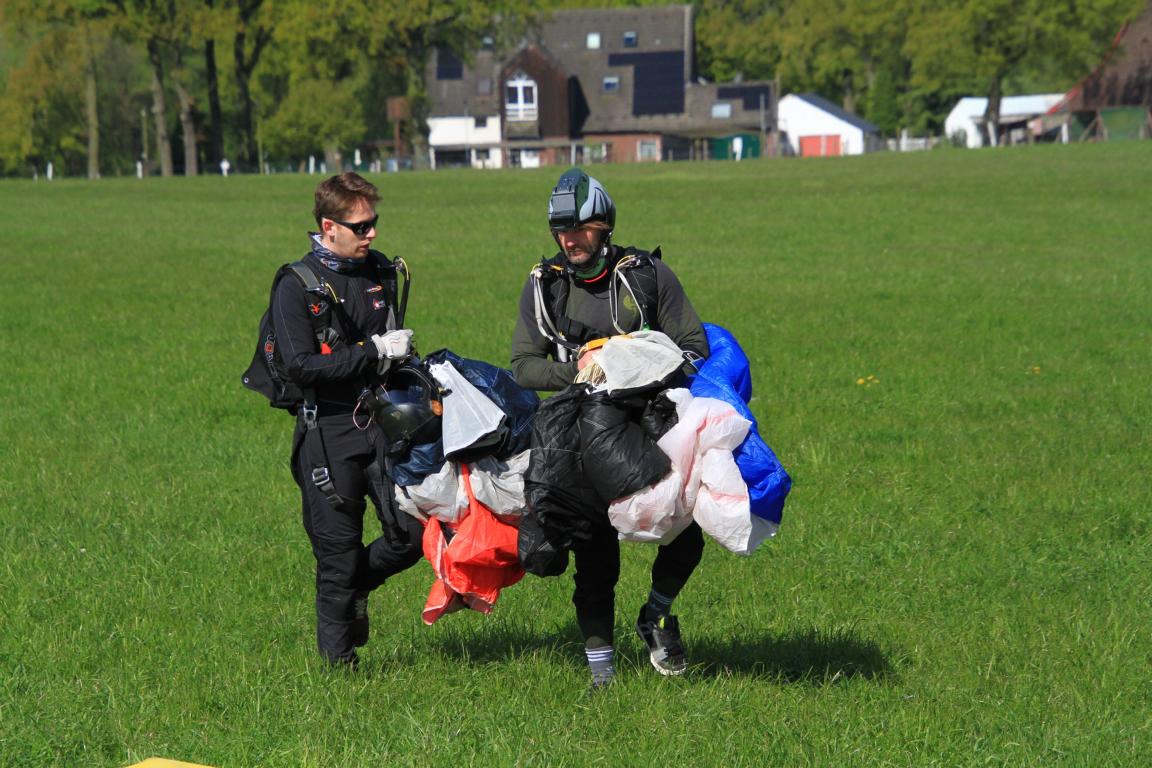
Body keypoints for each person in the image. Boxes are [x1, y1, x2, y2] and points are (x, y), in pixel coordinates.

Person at [511, 168, 710, 687]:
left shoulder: (646, 276)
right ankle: (603, 675)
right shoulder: (545, 286)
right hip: (578, 430)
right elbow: (523, 366)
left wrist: (629, 361)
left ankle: (656, 615)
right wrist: (579, 369)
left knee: (687, 529)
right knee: (594, 553)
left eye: (580, 228)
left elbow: (695, 347)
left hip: (648, 419)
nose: (569, 240)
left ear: (605, 225)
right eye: (561, 230)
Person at [272, 172, 424, 667]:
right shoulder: (295, 286)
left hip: (385, 423)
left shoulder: (379, 270)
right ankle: (341, 671)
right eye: (361, 227)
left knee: (412, 535)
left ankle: (356, 586)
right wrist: (373, 350)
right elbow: (301, 366)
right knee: (336, 557)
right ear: (328, 226)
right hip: (329, 431)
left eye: (373, 222)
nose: (371, 233)